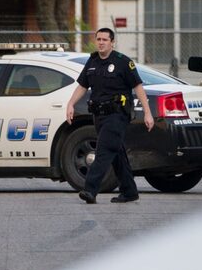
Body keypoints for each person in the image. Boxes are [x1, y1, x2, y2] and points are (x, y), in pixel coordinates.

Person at [64, 26, 154, 204]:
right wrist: (70, 104)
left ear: (112, 43)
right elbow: (82, 85)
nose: (101, 42)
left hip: (117, 115)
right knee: (117, 152)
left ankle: (90, 190)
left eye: (105, 40)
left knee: (104, 150)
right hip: (99, 115)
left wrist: (147, 113)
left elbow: (138, 87)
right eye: (98, 39)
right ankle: (129, 191)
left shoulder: (123, 62)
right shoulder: (92, 62)